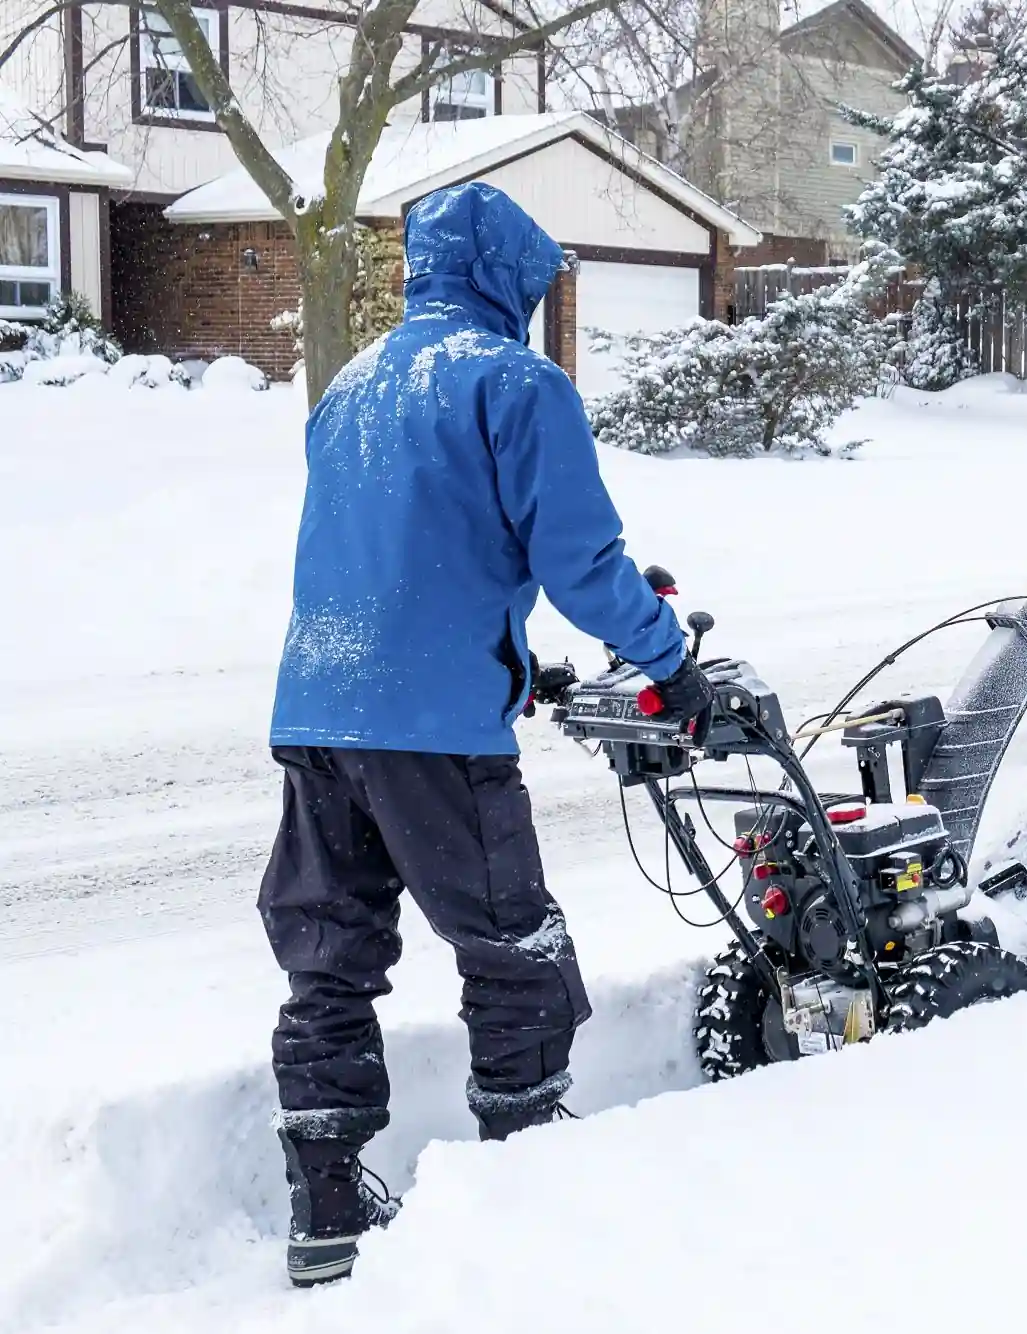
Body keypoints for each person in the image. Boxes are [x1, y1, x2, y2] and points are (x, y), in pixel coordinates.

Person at [257, 181, 712, 1288]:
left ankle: (325, 1202)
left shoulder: (352, 385)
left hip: (318, 712)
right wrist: (669, 661)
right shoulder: (515, 382)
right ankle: (523, 1170)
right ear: (508, 276)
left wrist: (507, 655)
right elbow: (583, 566)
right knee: (517, 948)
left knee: (329, 956)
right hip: (437, 726)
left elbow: (402, 543)